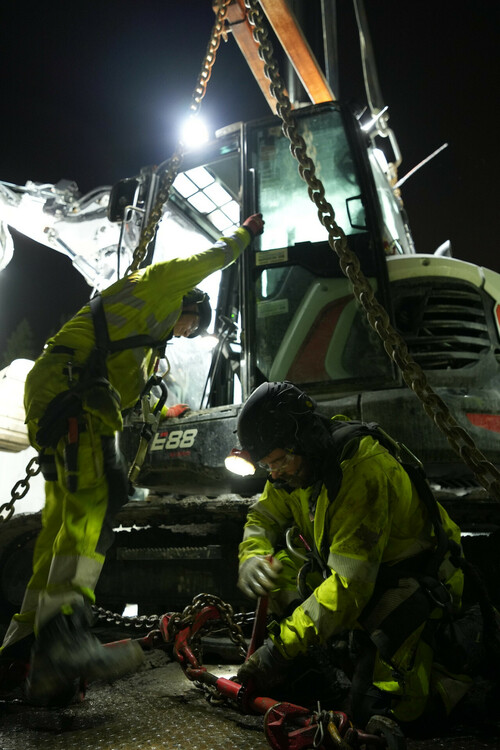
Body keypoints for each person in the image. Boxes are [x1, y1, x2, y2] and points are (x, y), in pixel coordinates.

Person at [0, 213, 264, 705]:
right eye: (191, 326)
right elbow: (211, 258)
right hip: (73, 396)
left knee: (61, 524)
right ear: (191, 305)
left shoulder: (141, 340)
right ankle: (64, 644)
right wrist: (245, 234)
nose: (184, 334)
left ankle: (23, 646)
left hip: (63, 395)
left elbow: (125, 389)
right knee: (94, 510)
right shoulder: (160, 284)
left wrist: (167, 409)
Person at [231, 380, 489, 730]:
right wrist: (253, 555)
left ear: (303, 441)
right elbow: (263, 516)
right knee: (277, 568)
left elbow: (349, 589)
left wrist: (278, 649)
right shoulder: (296, 468)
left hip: (412, 585)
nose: (274, 474)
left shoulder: (360, 470)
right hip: (365, 577)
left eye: (278, 462)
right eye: (266, 466)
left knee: (380, 711)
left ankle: (464, 679)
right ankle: (313, 656)